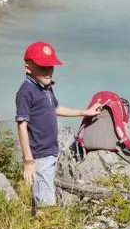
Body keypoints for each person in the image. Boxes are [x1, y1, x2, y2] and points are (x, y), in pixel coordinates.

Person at [15, 40, 101, 209]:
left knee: (44, 194)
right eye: (42, 67)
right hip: (39, 155)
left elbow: (56, 108)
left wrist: (85, 112)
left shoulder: (45, 87)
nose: (48, 72)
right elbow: (21, 126)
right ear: (28, 67)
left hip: (51, 151)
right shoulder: (25, 92)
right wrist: (28, 160)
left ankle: (43, 226)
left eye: (50, 67)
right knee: (45, 204)